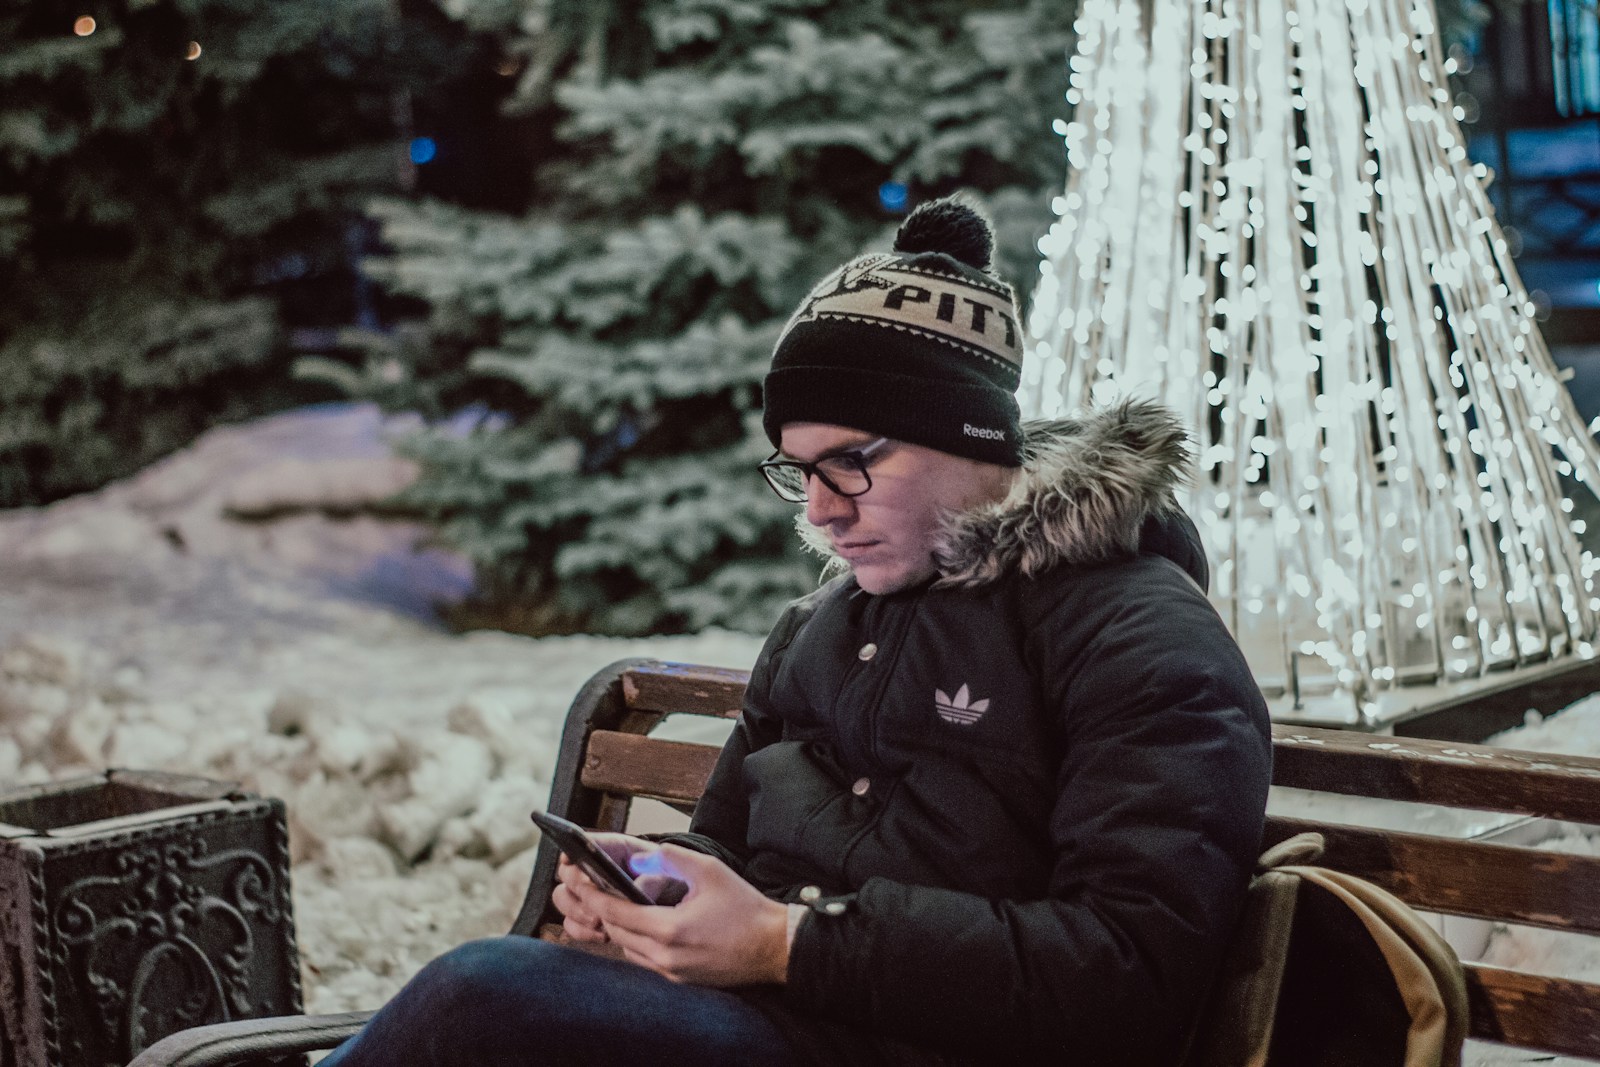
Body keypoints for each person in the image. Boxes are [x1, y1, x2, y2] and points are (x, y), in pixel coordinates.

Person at [318, 197, 1272, 1066]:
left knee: (483, 999)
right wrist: (651, 898)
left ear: (967, 438)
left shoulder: (1139, 634)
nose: (819, 510)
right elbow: (734, 852)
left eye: (850, 462)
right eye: (796, 470)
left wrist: (789, 943)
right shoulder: (820, 629)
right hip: (778, 1024)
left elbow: (1130, 977)